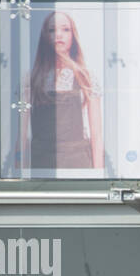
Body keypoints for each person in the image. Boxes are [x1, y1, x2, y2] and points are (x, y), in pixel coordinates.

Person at [16, 11, 103, 171]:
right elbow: (21, 135)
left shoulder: (86, 78)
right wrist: (17, 171)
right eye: (52, 30)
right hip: (41, 163)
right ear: (45, 36)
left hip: (78, 162)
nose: (59, 35)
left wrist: (98, 176)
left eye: (65, 29)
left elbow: (96, 136)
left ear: (73, 35)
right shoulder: (31, 79)